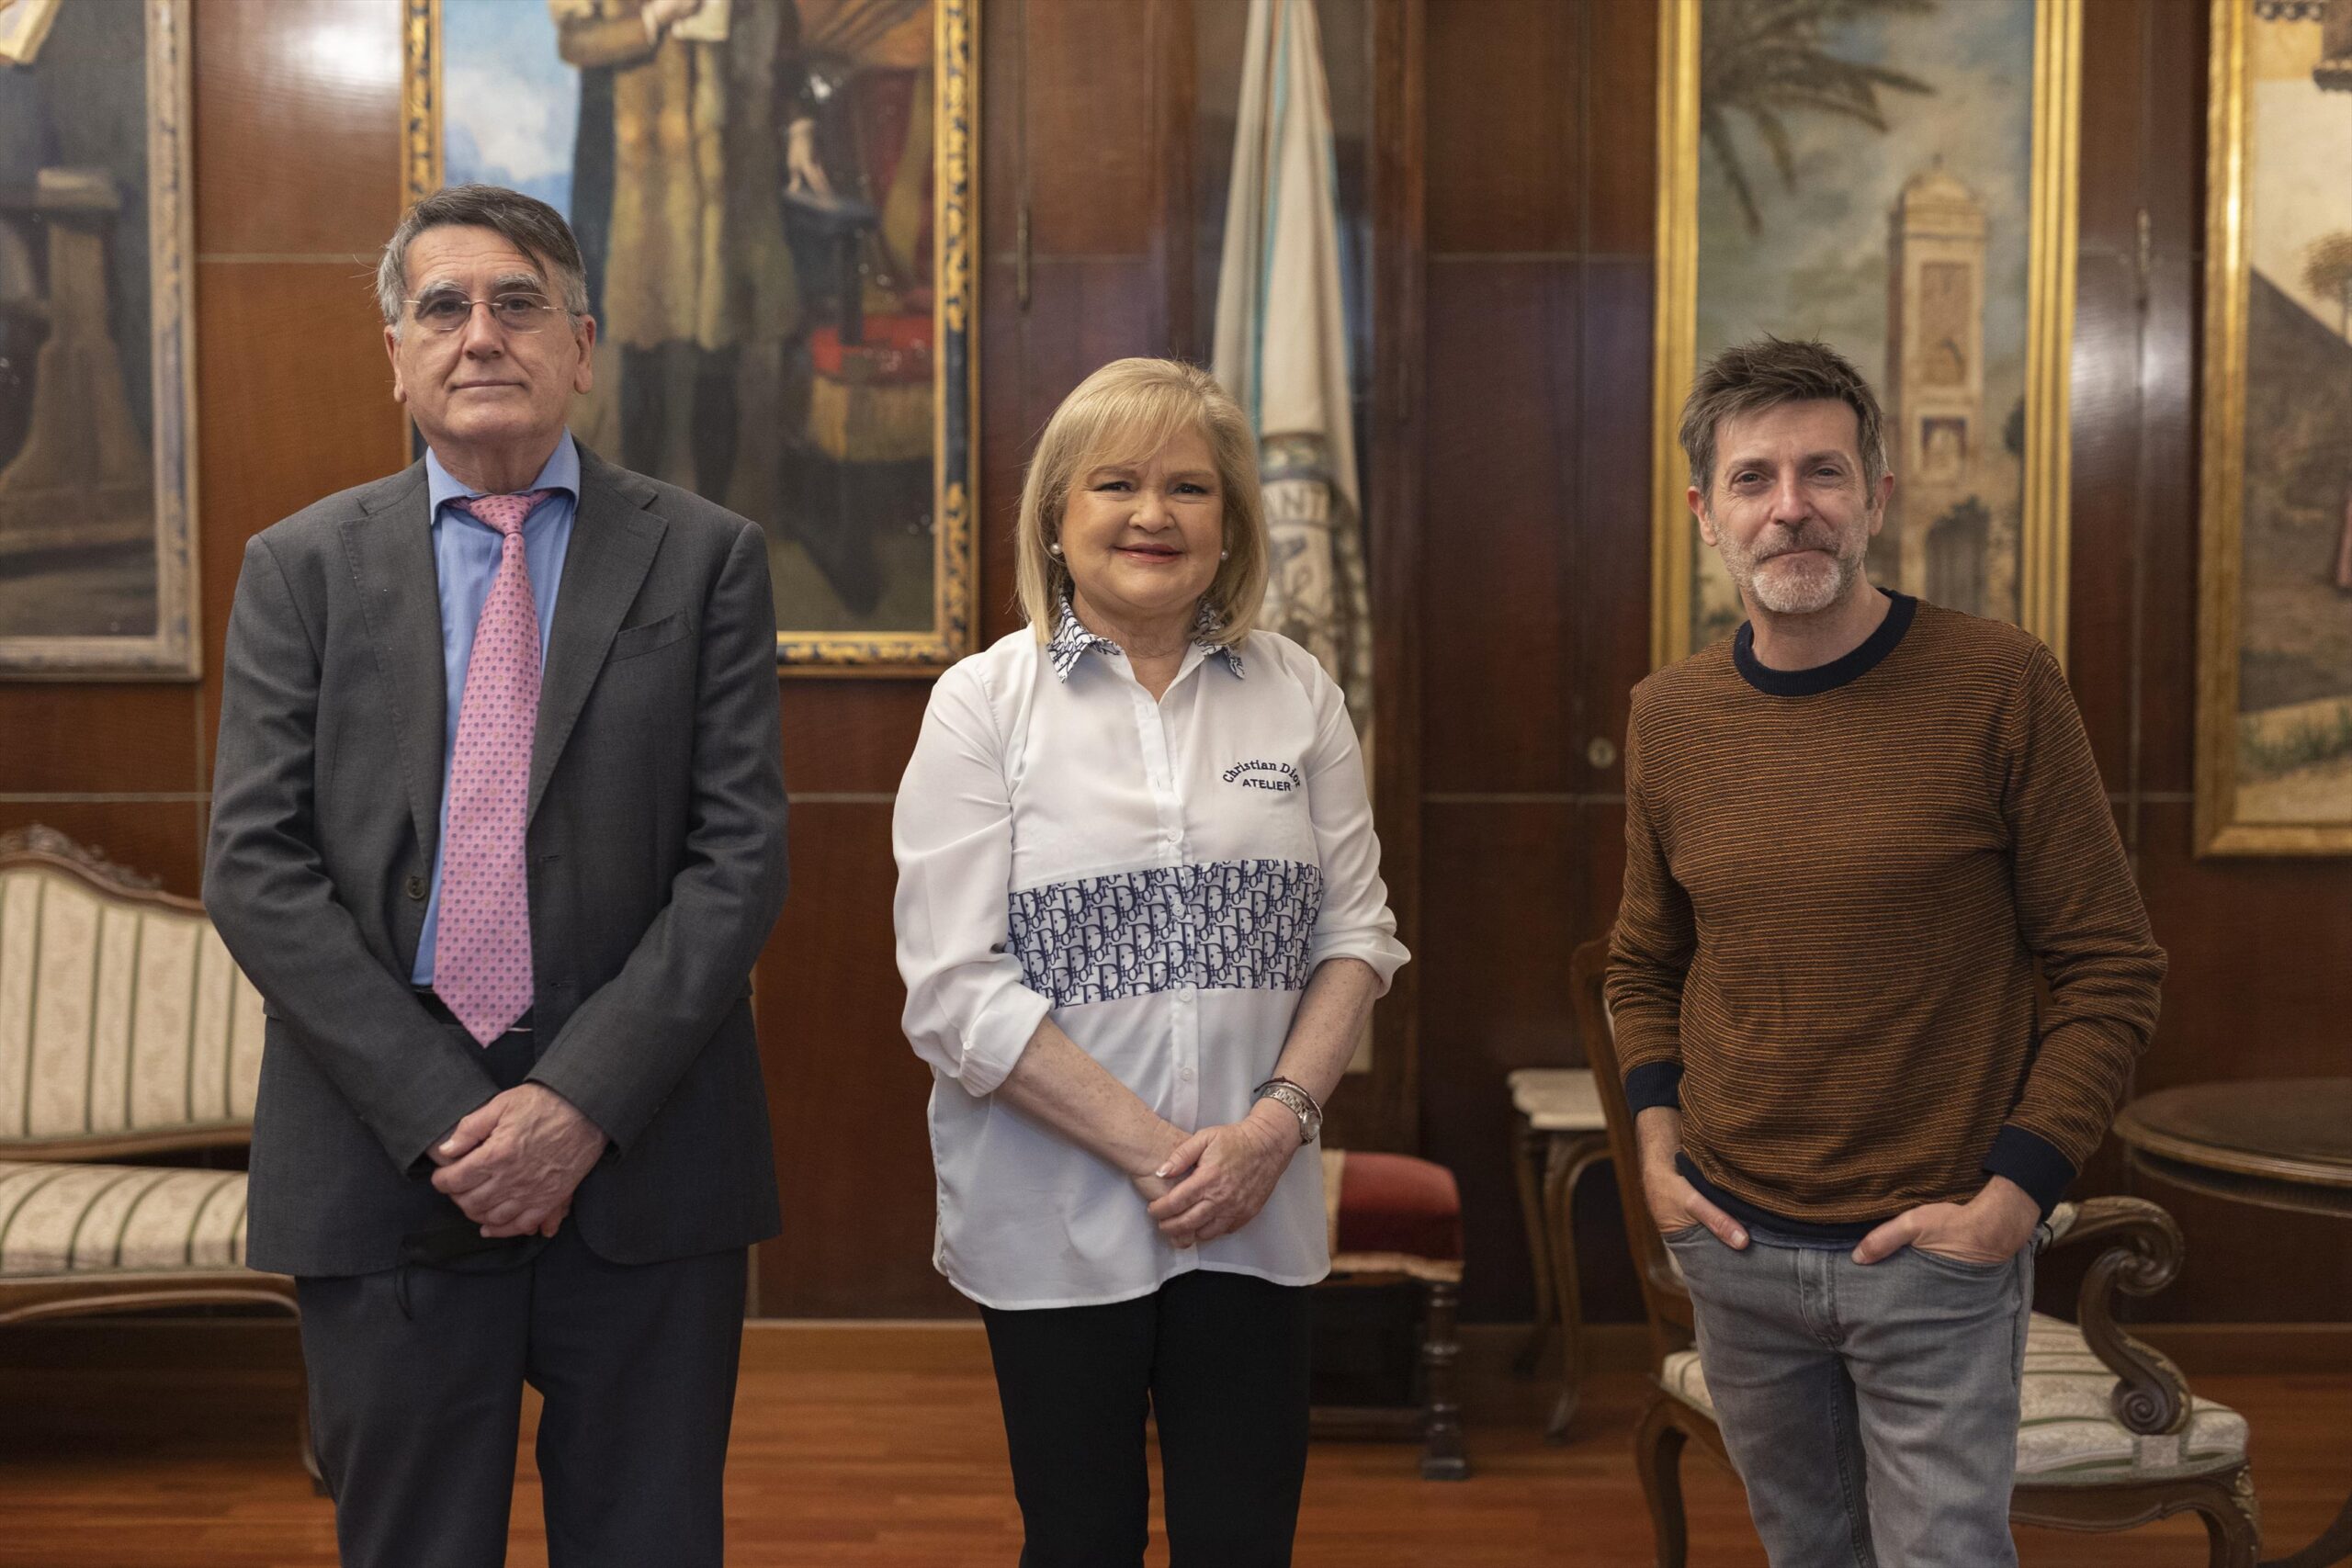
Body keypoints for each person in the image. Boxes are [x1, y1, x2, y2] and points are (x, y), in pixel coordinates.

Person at [203, 183, 789, 1568]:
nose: (482, 335)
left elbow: (739, 857)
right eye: (444, 308)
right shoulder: (300, 569)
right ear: (397, 355)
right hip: (383, 1147)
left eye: (519, 304)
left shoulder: (705, 557)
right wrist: (444, 1114)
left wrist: (576, 1106)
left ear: (581, 346)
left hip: (642, 1145)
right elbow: (255, 866)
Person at [1607, 337, 2165, 1567]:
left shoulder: (2001, 684)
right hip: (1735, 1248)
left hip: (1937, 1249)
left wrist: (2012, 1198)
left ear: (1877, 498)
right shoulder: (1670, 716)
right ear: (1706, 514)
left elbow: (2111, 966)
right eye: (1753, 479)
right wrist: (1658, 1155)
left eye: (1824, 472)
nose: (1791, 506)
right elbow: (1645, 964)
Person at [891, 357, 1407, 1567]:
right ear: (1057, 516)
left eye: (1189, 487)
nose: (1153, 515)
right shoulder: (981, 705)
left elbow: (1356, 937)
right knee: (1080, 1540)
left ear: (1230, 524)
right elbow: (955, 993)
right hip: (1053, 1215)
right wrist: (1167, 1157)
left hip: (1258, 1207)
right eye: (1115, 484)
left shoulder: (1299, 693)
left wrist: (1268, 1135)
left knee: (1244, 1541)